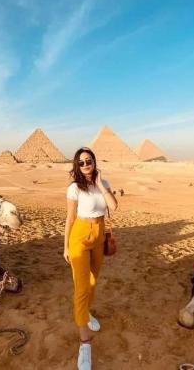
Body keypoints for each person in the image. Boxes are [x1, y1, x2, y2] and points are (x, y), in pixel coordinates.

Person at [64, 147, 118, 370]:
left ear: (95, 162)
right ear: (76, 165)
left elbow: (113, 207)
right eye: (82, 162)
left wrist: (100, 183)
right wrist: (65, 246)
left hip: (99, 234)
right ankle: (85, 344)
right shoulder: (74, 188)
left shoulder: (103, 184)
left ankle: (86, 312)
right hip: (79, 235)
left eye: (89, 161)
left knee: (93, 281)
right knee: (81, 288)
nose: (86, 165)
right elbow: (70, 217)